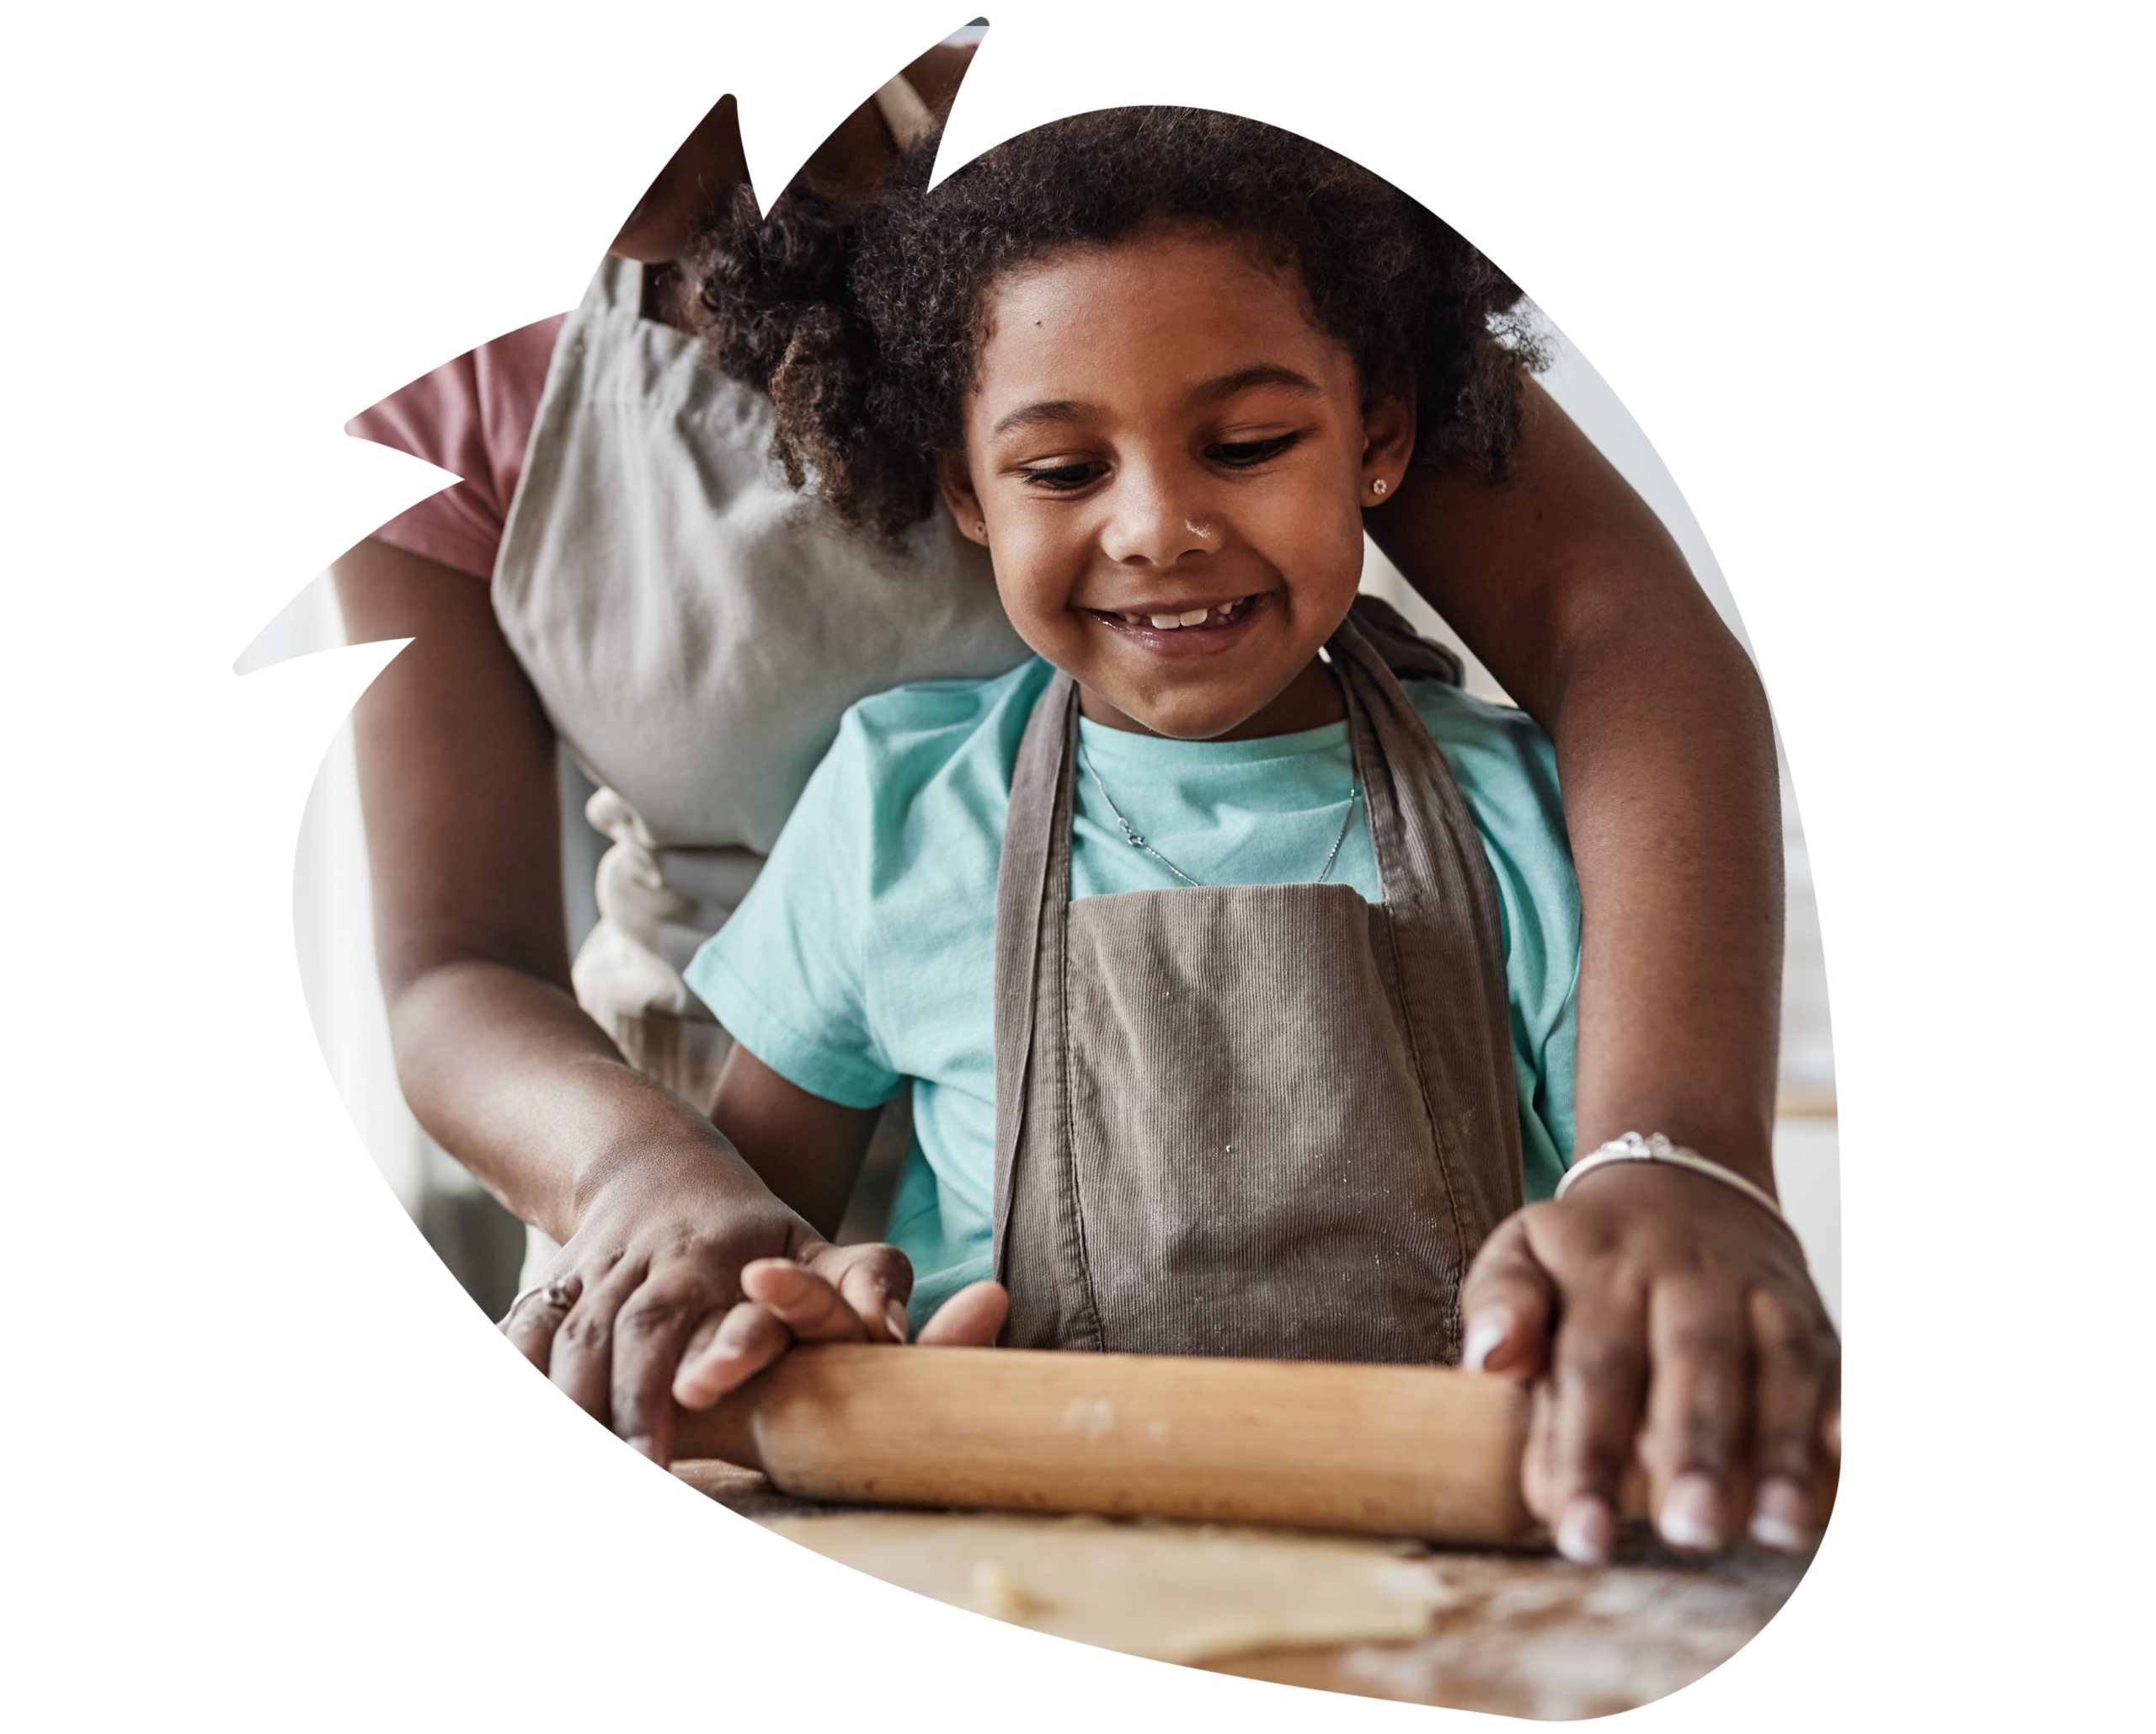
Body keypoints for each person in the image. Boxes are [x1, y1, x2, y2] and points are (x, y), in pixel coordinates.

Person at [334, 44, 1820, 1567]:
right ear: (959, 476)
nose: (1157, 526)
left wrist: (1674, 1153)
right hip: (727, 1234)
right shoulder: (897, 816)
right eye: (1059, 463)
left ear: (1372, 429)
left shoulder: (1173, 185)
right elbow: (459, 963)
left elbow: (1613, 622)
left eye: (1238, 450)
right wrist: (650, 1182)